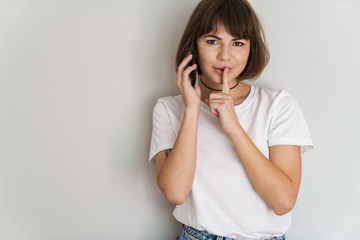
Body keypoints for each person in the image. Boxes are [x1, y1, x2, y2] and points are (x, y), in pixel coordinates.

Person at [149, 0, 314, 239]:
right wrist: (192, 109)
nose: (225, 56)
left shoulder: (278, 105)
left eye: (237, 43)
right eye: (212, 41)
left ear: (250, 48)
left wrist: (235, 128)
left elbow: (283, 202)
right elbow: (175, 193)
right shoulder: (168, 109)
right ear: (194, 45)